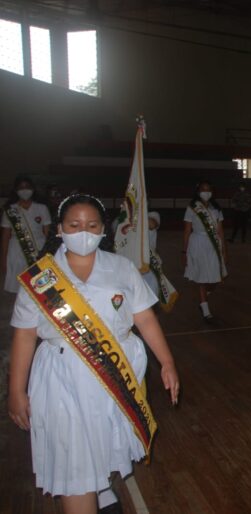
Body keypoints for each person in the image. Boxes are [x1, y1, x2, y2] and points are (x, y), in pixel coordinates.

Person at [7, 194, 180, 514]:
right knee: (73, 462)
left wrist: (167, 362)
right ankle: (89, 491)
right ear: (59, 229)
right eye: (74, 225)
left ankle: (100, 486)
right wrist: (16, 390)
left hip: (113, 374)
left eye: (91, 225)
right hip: (62, 379)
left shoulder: (122, 267)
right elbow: (24, 335)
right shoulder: (41, 278)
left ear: (104, 230)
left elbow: (144, 317)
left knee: (101, 441)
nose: (83, 231)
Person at [183, 181, 227, 321]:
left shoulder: (216, 208)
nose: (206, 192)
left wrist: (224, 249)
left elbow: (220, 231)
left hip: (214, 244)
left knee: (216, 277)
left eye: (209, 190)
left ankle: (205, 295)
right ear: (198, 191)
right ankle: (205, 307)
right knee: (202, 276)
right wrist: (184, 251)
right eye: (203, 189)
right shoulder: (192, 208)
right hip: (198, 243)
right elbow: (187, 230)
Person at [1, 175, 52, 293]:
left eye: (27, 187)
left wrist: (49, 253)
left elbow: (47, 233)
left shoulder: (42, 208)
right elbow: (5, 236)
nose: (24, 190)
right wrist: (3, 258)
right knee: (19, 284)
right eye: (21, 187)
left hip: (39, 248)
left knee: (41, 285)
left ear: (33, 189)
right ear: (16, 190)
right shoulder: (10, 210)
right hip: (16, 249)